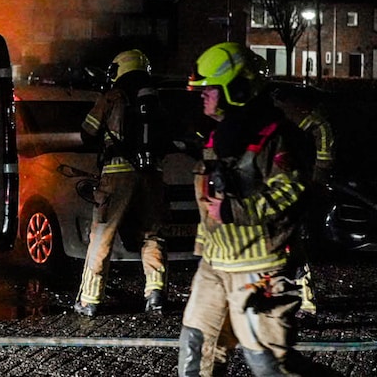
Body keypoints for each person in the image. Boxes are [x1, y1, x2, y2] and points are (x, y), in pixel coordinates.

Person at [179, 42, 314, 377]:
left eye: (209, 89)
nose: (203, 96)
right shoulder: (218, 139)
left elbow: (291, 192)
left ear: (235, 88)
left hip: (258, 269)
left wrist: (233, 210)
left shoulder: (274, 137)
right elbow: (206, 202)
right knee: (197, 355)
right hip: (214, 266)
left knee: (268, 364)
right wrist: (203, 249)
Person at [73, 49, 168, 317]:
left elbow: (87, 133)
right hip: (152, 175)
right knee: (152, 234)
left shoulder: (112, 97)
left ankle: (90, 300)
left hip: (116, 176)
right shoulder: (155, 100)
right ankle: (156, 295)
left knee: (102, 235)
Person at [271, 84, 337, 316]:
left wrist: (319, 174)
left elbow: (321, 130)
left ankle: (302, 295)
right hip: (271, 187)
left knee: (290, 239)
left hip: (288, 184)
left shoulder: (282, 109)